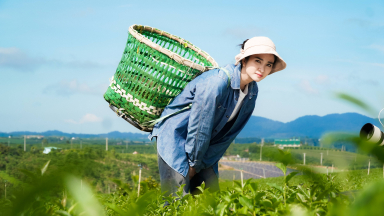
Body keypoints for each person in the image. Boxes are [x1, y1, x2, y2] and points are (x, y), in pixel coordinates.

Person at [148, 36, 287, 198]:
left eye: (268, 64)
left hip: (202, 147)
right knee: (177, 199)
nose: (262, 69)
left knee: (211, 197)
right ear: (244, 60)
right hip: (175, 137)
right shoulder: (217, 82)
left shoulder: (252, 92)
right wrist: (193, 164)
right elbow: (200, 126)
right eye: (258, 61)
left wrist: (202, 162)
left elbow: (228, 135)